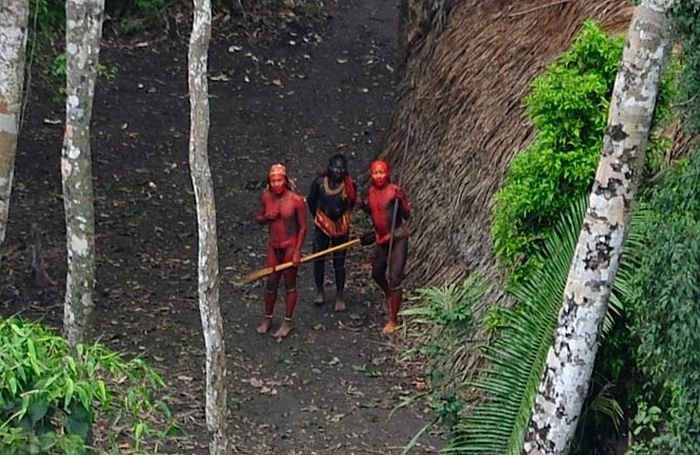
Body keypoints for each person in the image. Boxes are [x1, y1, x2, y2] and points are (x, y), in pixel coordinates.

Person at [254, 163, 307, 338]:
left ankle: (287, 321)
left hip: (290, 246)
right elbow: (259, 217)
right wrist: (265, 217)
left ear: (285, 180)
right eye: (273, 181)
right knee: (271, 283)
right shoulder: (266, 197)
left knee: (289, 283)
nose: (277, 184)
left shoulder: (296, 200)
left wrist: (298, 250)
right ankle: (268, 318)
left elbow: (303, 227)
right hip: (273, 245)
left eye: (279, 180)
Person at [360, 159, 411, 335]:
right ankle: (390, 295)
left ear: (387, 174)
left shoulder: (394, 191)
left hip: (397, 237)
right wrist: (361, 204)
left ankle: (393, 319)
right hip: (381, 239)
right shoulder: (371, 192)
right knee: (376, 273)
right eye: (375, 173)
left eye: (381, 172)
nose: (378, 176)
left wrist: (402, 200)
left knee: (395, 277)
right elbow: (372, 211)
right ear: (371, 174)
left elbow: (407, 215)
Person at [306, 154, 358, 311]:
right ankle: (320, 291)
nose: (338, 172)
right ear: (329, 168)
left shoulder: (349, 185)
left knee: (339, 262)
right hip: (322, 224)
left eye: (342, 169)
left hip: (341, 225)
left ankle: (340, 295)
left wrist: (344, 218)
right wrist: (319, 217)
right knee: (319, 258)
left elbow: (352, 202)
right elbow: (311, 201)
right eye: (335, 168)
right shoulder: (319, 183)